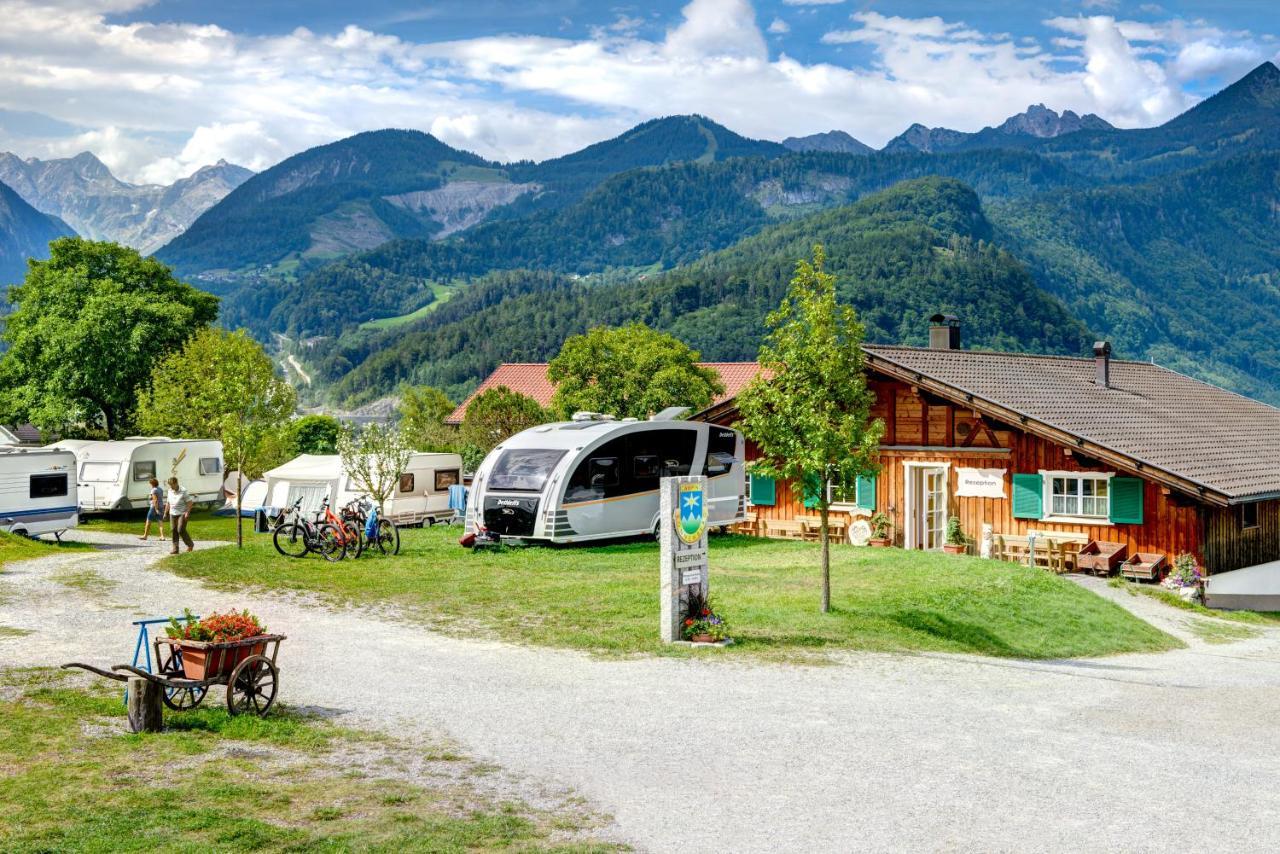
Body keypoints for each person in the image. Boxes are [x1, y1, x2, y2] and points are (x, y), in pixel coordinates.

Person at [166, 476, 195, 554]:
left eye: (172, 485)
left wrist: (187, 512)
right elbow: (168, 502)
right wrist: (165, 513)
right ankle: (175, 549)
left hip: (182, 513)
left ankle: (190, 544)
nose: (171, 487)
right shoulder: (169, 491)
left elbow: (190, 503)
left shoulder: (183, 491)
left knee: (180, 529)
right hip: (172, 513)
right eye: (170, 485)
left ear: (176, 483)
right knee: (173, 530)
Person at [138, 477, 166, 541]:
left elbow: (155, 500)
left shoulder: (153, 490)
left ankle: (145, 536)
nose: (150, 485)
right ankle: (162, 536)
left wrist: (156, 509)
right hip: (161, 506)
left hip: (154, 507)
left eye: (150, 483)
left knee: (148, 521)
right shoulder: (160, 489)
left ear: (152, 484)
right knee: (160, 521)